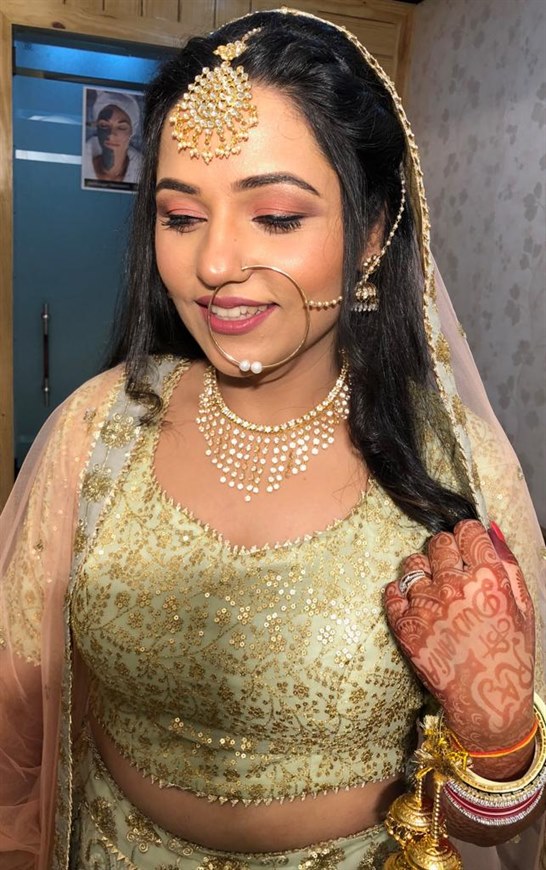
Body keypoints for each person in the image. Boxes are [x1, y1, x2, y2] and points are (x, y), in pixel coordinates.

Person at [1, 9, 545, 870]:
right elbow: (17, 727)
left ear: (372, 233)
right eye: (181, 217)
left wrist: (500, 733)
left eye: (278, 217)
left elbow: (494, 829)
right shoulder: (96, 431)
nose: (215, 265)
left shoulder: (460, 468)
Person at [82, 90, 142, 185]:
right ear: (97, 128)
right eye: (104, 125)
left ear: (132, 133)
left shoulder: (145, 175)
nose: (111, 134)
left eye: (121, 127)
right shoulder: (80, 165)